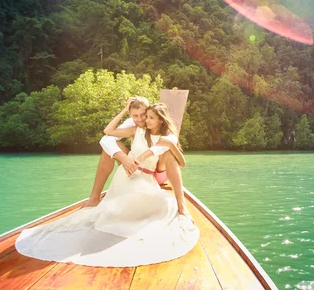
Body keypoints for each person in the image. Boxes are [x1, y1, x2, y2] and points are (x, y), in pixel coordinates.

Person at [15, 102, 198, 267]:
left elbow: (173, 159)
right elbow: (107, 133)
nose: (144, 120)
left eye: (149, 117)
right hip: (132, 173)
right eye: (143, 116)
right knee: (118, 207)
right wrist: (124, 112)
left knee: (163, 204)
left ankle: (182, 208)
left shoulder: (167, 136)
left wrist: (163, 148)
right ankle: (95, 199)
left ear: (160, 120)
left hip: (153, 173)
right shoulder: (137, 130)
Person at [84, 97, 186, 207]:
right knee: (108, 148)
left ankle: (181, 204)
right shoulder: (135, 127)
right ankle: (94, 197)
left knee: (168, 152)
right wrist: (124, 158)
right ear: (131, 115)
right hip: (137, 166)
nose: (141, 119)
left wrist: (141, 158)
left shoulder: (167, 134)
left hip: (157, 170)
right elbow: (107, 134)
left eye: (145, 115)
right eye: (135, 116)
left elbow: (158, 151)